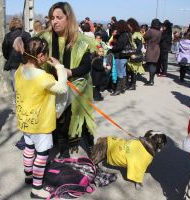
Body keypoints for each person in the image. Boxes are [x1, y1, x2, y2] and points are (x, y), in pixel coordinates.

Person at [13, 2, 96, 158]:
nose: (54, 21)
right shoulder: (46, 36)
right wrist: (17, 39)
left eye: (59, 17)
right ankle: (62, 153)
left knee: (80, 121)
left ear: (68, 18)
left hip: (78, 86)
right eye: (52, 18)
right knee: (59, 121)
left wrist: (68, 71)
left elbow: (86, 66)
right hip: (53, 86)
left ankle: (92, 150)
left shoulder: (82, 40)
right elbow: (29, 41)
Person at [15, 37, 67, 198]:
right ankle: (37, 188)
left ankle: (29, 175)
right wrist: (59, 67)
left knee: (29, 149)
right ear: (42, 56)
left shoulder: (19, 71)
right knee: (42, 154)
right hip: (41, 124)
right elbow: (62, 89)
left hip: (25, 120)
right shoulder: (44, 77)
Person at [110, 20, 132, 95]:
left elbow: (120, 46)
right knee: (123, 72)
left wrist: (112, 49)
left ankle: (118, 89)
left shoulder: (123, 35)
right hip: (124, 56)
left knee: (119, 72)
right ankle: (123, 87)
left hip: (120, 55)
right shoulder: (127, 34)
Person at [126, 18, 145, 90]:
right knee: (130, 70)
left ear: (132, 25)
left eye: (129, 25)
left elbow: (140, 45)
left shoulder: (137, 34)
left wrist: (134, 53)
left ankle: (133, 85)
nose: (128, 27)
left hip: (135, 55)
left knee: (133, 71)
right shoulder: (131, 33)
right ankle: (130, 84)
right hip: (130, 54)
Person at [143, 19, 162, 86]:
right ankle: (151, 80)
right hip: (157, 48)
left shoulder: (150, 31)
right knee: (154, 64)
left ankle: (151, 81)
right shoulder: (160, 32)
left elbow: (144, 36)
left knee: (151, 65)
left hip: (151, 48)